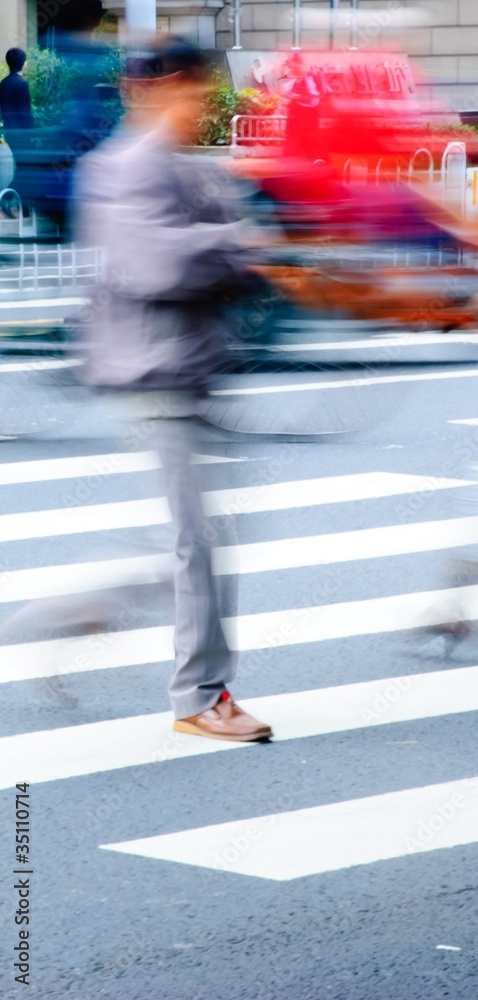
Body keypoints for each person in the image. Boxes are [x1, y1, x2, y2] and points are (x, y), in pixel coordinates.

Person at [71, 35, 272, 743]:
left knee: (195, 536)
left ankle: (73, 612)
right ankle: (198, 696)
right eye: (199, 91)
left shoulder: (185, 167)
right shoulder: (122, 168)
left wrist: (243, 245)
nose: (205, 107)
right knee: (196, 538)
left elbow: (233, 244)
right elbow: (153, 265)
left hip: (190, 370)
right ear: (164, 87)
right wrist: (236, 248)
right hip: (150, 372)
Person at [0, 47, 32, 131]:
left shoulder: (3, 82)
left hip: (8, 128)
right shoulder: (22, 83)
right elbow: (25, 111)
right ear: (24, 63)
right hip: (21, 131)